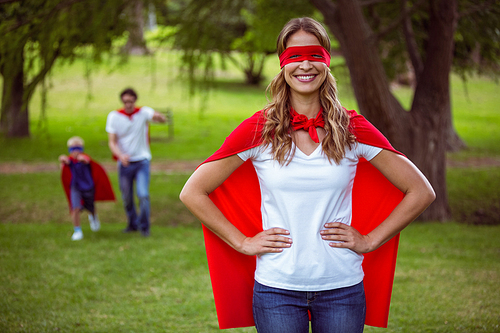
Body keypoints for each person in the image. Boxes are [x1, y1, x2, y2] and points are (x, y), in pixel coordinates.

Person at [180, 17, 435, 333]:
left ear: (327, 63)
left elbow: (421, 191)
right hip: (277, 288)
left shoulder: (351, 128)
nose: (305, 65)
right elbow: (192, 191)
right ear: (282, 65)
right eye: (294, 56)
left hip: (342, 286)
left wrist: (370, 240)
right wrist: (242, 242)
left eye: (314, 55)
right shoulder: (260, 129)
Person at [106, 88, 166, 237]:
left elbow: (158, 117)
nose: (128, 104)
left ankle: (144, 227)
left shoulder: (143, 112)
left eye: (131, 101)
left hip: (142, 161)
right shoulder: (114, 116)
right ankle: (132, 223)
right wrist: (120, 155)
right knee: (126, 197)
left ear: (135, 101)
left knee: (143, 194)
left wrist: (159, 117)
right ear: (122, 101)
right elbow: (112, 142)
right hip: (125, 163)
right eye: (125, 101)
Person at [59, 136, 115, 241]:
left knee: (90, 208)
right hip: (75, 187)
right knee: (75, 208)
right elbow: (63, 165)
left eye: (78, 148)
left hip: (88, 187)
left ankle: (93, 216)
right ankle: (77, 231)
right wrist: (63, 160)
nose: (75, 151)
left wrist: (82, 159)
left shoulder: (85, 158)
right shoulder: (69, 160)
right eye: (72, 149)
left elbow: (86, 160)